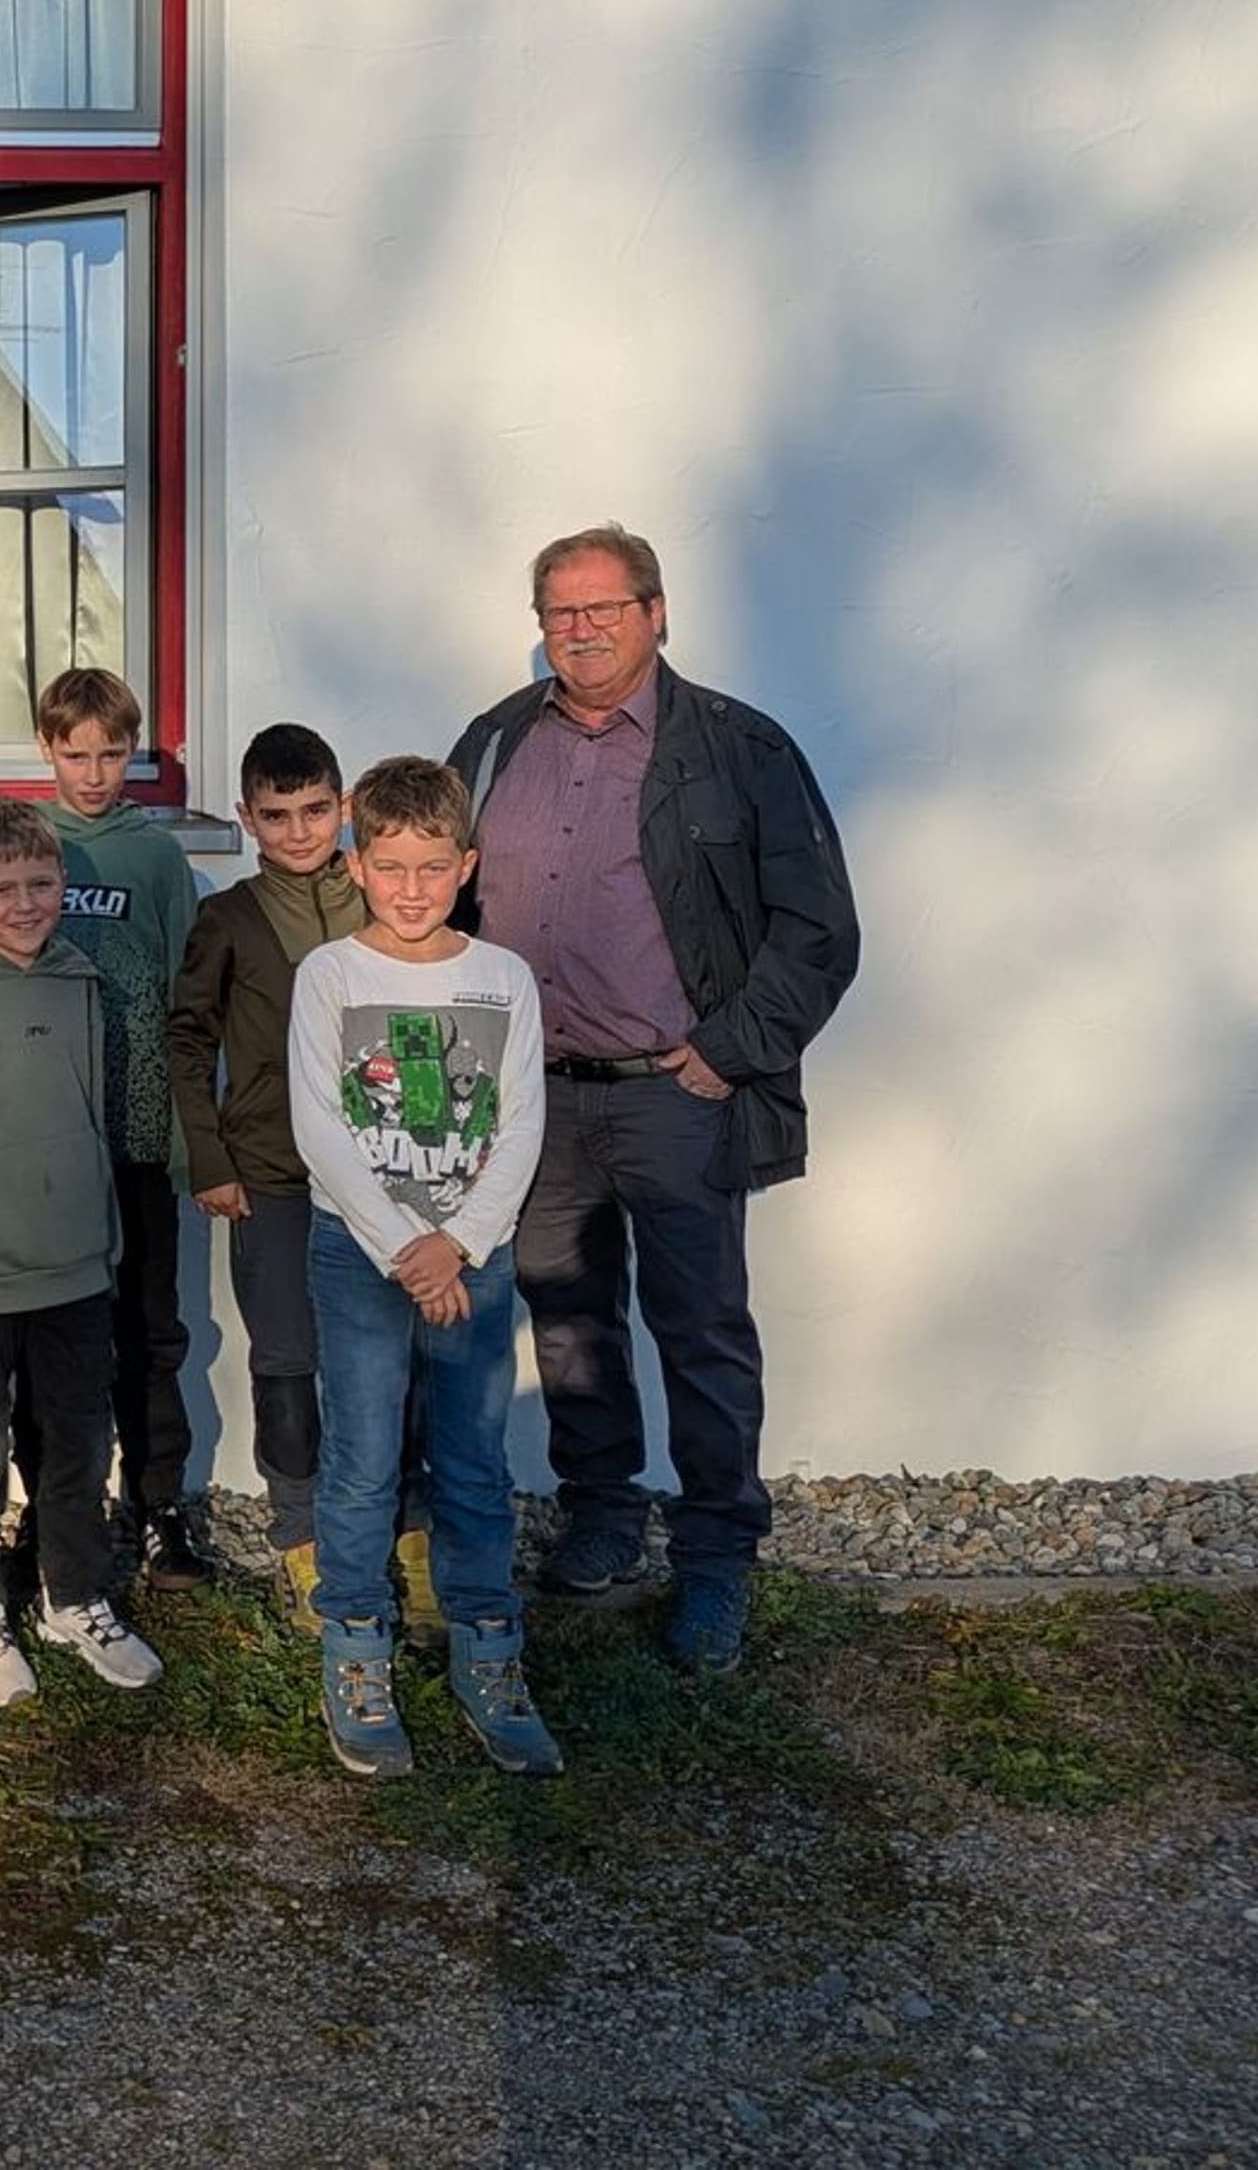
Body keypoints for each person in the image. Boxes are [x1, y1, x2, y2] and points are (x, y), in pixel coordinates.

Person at [443, 525, 860, 1676]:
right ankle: (604, 1515)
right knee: (568, 1321)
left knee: (702, 1332)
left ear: (656, 612)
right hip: (541, 1100)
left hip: (676, 1096)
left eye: (604, 609)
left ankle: (718, 1556)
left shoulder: (737, 748)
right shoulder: (491, 744)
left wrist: (729, 1051)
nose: (580, 630)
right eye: (560, 613)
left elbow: (820, 930)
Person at [285, 758, 560, 1779]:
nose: (411, 889)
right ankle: (356, 1645)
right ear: (357, 866)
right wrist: (408, 1247)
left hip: (472, 1257)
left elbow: (523, 1120)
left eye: (432, 868)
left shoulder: (503, 978)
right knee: (361, 1459)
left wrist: (461, 1242)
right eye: (390, 866)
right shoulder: (332, 977)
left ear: (467, 865)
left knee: (475, 1459)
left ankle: (488, 1649)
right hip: (361, 1256)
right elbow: (321, 1125)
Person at [172, 723, 432, 1638]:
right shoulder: (230, 919)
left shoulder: (386, 899)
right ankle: (299, 1537)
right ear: (246, 818)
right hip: (273, 1175)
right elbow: (188, 1040)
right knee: (288, 1358)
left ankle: (408, 1533)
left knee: (391, 1361)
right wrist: (209, 1157)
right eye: (275, 815)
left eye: (315, 810)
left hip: (386, 1174)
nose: (297, 831)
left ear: (346, 808)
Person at [0, 801, 165, 1711]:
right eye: (3, 889)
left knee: (76, 1439)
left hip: (77, 1265)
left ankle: (74, 1593)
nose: (25, 904)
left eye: (41, 884)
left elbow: (89, 1121)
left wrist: (107, 1238)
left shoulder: (80, 980)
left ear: (64, 886)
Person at [33, 668, 211, 1591]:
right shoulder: (28, 846)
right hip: (50, 1140)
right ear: (46, 750)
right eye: (77, 754)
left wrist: (188, 1131)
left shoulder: (155, 857)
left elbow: (189, 997)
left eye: (112, 753)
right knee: (60, 1336)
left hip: (138, 1135)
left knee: (151, 1329)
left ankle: (159, 1503)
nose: (95, 772)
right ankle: (57, 1508)